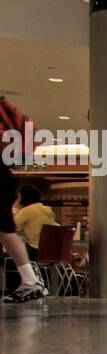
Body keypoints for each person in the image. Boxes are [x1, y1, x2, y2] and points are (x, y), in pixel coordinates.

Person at [0, 97, 47, 303]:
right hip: (7, 171)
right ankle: (30, 280)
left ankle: (31, 281)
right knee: (4, 229)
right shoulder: (5, 109)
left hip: (2, 172)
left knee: (5, 229)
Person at [13, 185, 57, 261]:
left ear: (23, 197)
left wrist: (16, 207)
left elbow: (10, 225)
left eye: (18, 197)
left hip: (34, 250)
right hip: (49, 250)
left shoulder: (28, 210)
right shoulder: (46, 209)